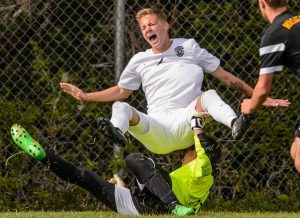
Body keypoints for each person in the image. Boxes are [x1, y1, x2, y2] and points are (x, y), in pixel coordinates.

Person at [60, 8, 288, 154]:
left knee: (209, 95)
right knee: (120, 106)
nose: (147, 29)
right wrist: (85, 96)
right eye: (143, 27)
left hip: (188, 120)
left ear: (165, 25)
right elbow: (121, 91)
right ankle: (118, 133)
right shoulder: (139, 60)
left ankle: (235, 124)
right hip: (156, 128)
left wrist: (261, 97)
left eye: (151, 24)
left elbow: (225, 76)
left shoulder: (189, 47)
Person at [9, 113, 220, 215]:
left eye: (188, 152)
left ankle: (174, 206)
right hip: (139, 208)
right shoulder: (192, 178)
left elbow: (205, 152)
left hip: (162, 205)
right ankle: (42, 154)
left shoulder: (205, 172)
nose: (183, 157)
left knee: (134, 159)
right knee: (85, 177)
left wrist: (196, 126)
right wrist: (124, 189)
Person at [240, 0, 299, 172]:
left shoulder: (274, 34)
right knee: (296, 152)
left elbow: (263, 90)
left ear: (262, 3)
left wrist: (249, 107)